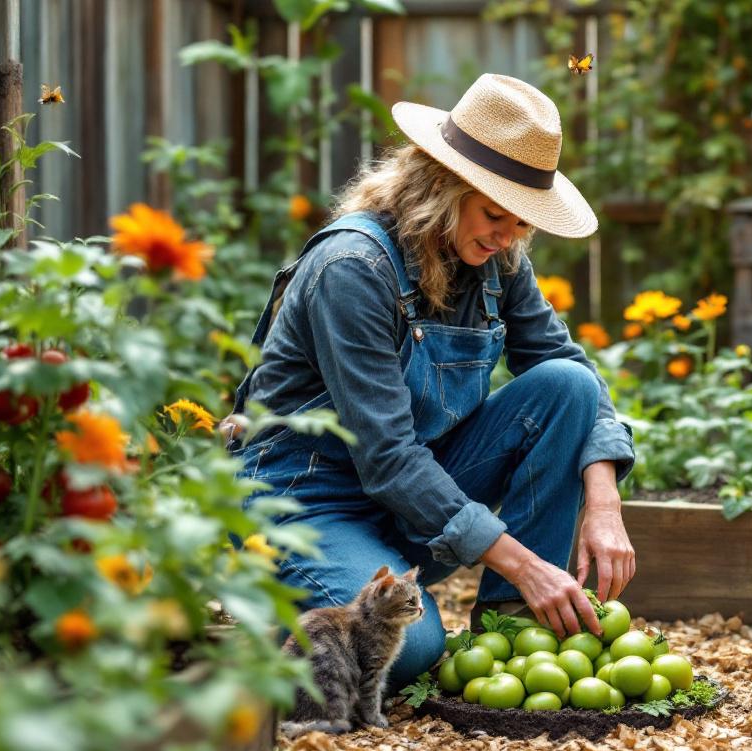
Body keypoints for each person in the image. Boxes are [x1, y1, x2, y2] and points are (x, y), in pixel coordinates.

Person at [227, 73, 637, 688]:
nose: (509, 237)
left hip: (404, 500)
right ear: (441, 187)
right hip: (304, 501)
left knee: (564, 388)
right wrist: (528, 563)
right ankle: (272, 628)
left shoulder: (496, 258)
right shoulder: (352, 269)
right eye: (496, 214)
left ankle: (510, 627)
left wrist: (603, 501)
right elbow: (388, 456)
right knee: (408, 652)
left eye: (523, 223)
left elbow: (570, 368)